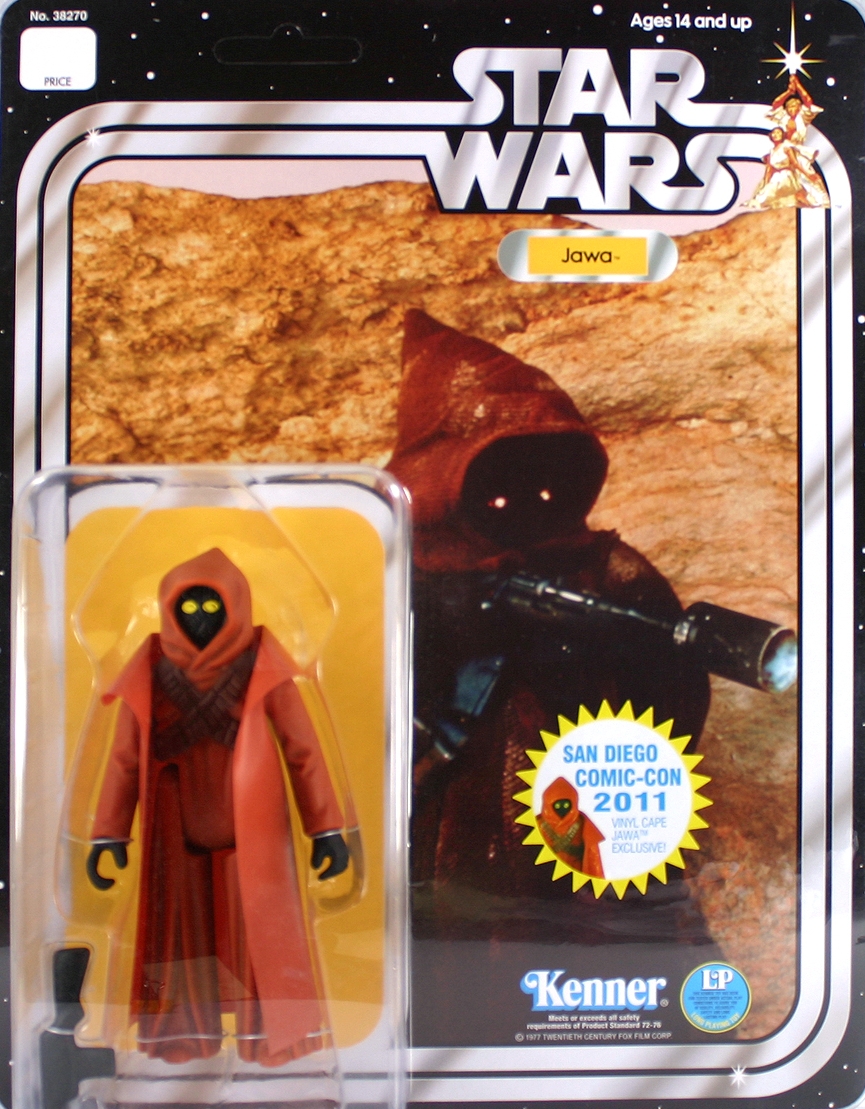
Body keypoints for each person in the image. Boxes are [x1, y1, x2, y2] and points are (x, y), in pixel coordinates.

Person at [388, 310, 717, 1044]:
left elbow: (675, 702)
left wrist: (584, 668)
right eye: (498, 481)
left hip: (585, 837)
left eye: (543, 478)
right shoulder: (397, 578)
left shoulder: (605, 571)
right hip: (441, 843)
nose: (526, 503)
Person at [87, 548, 349, 1065]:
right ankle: (178, 1033)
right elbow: (124, 758)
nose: (201, 620)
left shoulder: (261, 664)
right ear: (169, 609)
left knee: (262, 932)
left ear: (236, 606)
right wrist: (108, 834)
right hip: (173, 820)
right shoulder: (151, 668)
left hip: (253, 819)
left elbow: (304, 750)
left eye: (213, 607)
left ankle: (273, 1034)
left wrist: (326, 829)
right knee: (175, 935)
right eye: (188, 608)